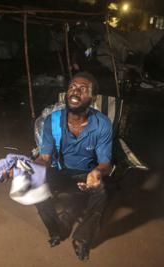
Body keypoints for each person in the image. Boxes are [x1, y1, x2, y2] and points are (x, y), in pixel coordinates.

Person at [35, 71, 113, 261]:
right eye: (72, 87)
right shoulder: (53, 122)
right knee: (34, 185)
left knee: (101, 192)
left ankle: (82, 238)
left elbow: (105, 163)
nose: (75, 92)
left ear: (93, 98)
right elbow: (44, 158)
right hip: (60, 171)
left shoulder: (102, 124)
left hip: (86, 175)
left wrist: (97, 172)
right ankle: (56, 230)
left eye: (82, 89)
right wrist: (30, 169)